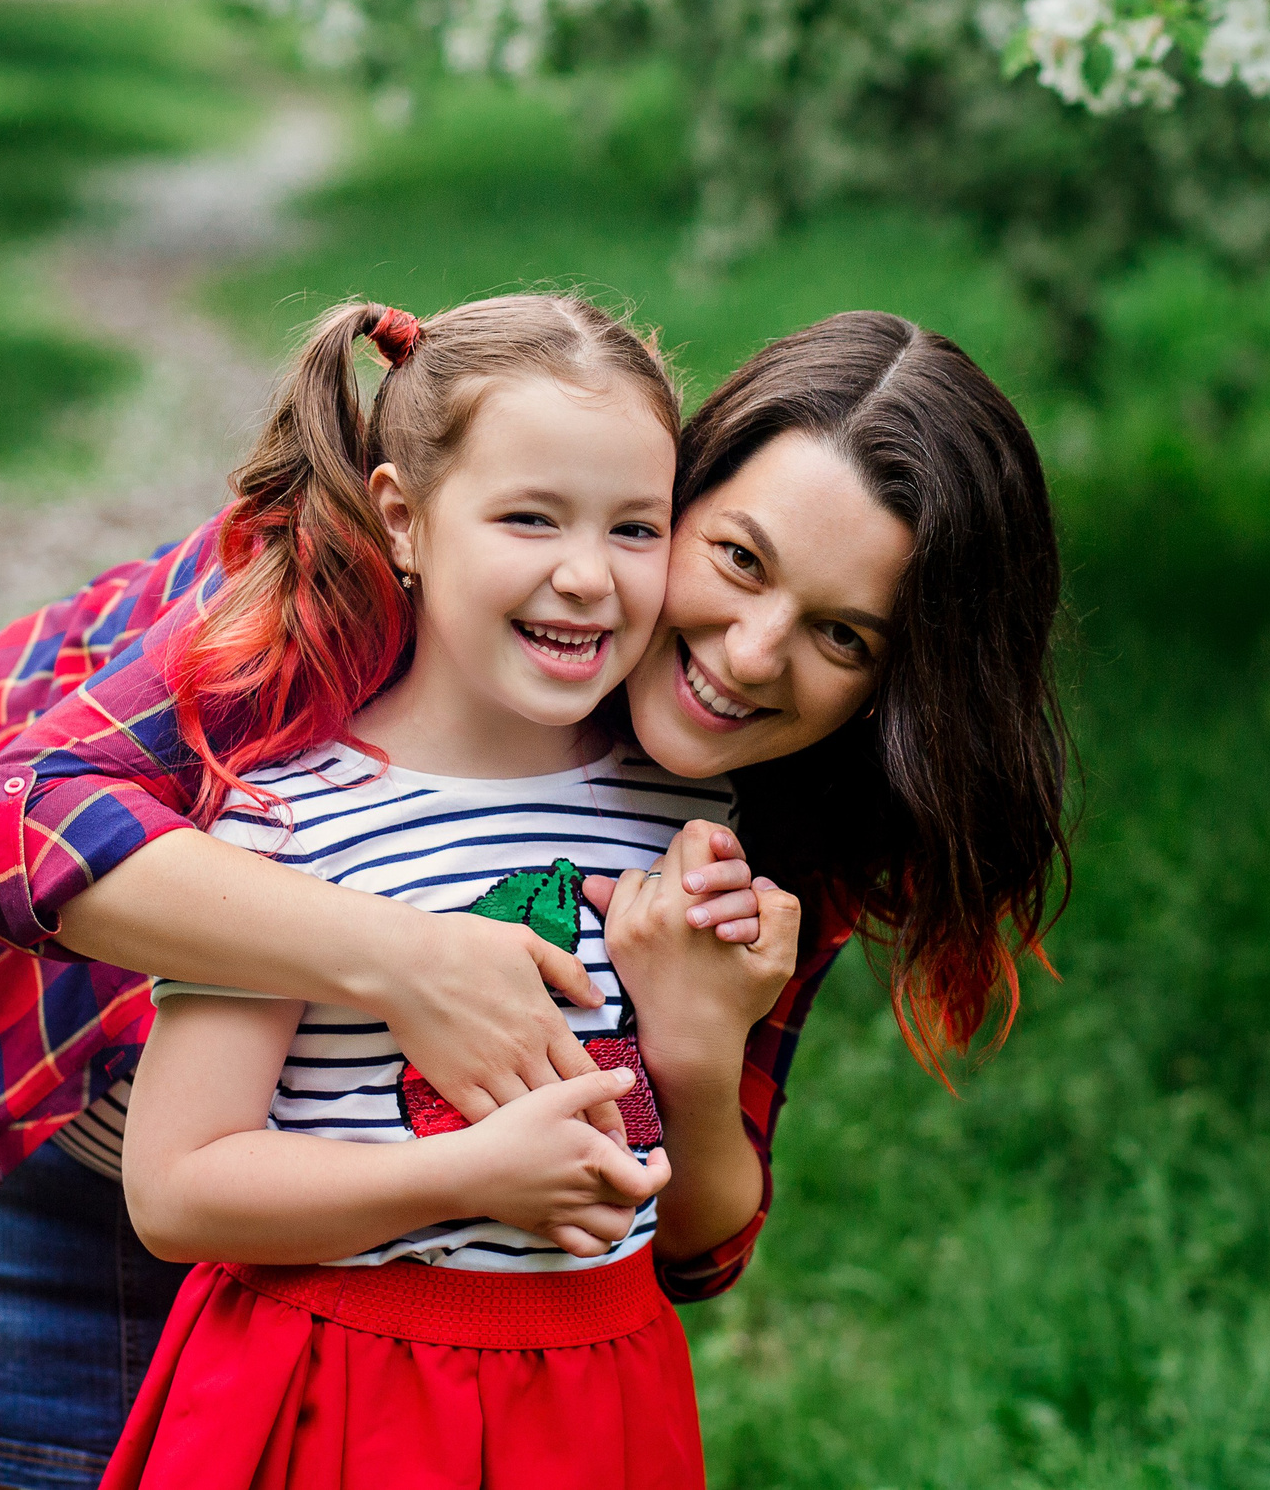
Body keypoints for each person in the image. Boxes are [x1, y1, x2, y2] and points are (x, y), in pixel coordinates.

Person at [0, 300, 1069, 1489]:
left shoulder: (759, 819)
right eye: (735, 556)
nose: (753, 651)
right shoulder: (348, 616)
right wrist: (412, 960)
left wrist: (694, 1042)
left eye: (844, 634)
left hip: (296, 1193)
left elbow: (687, 1238)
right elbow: (10, 825)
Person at [96, 292, 796, 1488]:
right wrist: (461, 1179)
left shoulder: (685, 815)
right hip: (338, 1392)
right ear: (403, 520)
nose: (587, 575)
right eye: (530, 517)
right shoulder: (286, 819)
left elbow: (687, 1198)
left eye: (635, 528)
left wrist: (709, 1017)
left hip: (597, 1394)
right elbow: (176, 1189)